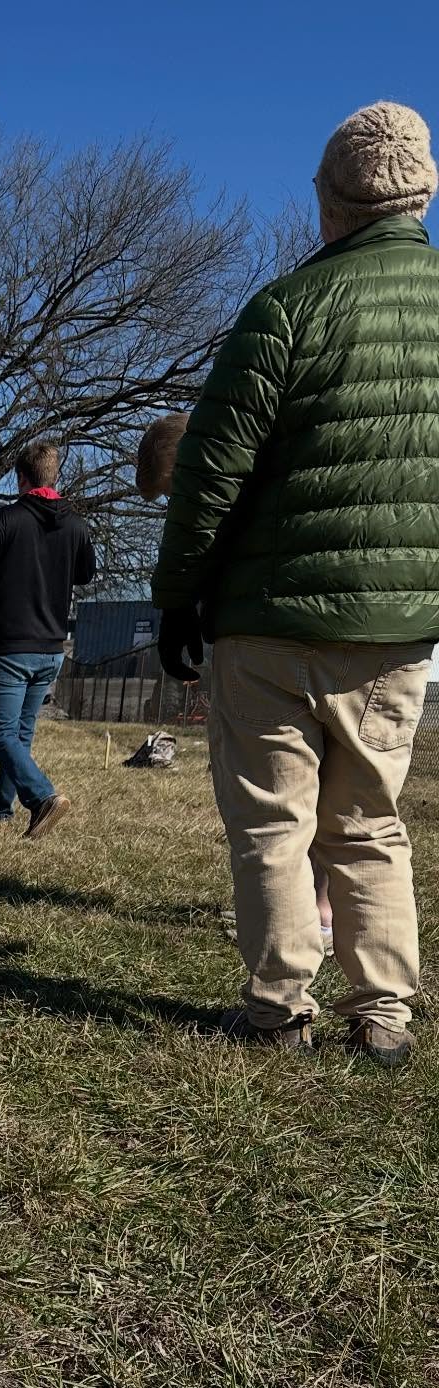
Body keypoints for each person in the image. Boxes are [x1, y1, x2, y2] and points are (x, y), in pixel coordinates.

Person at [151, 101, 439, 1063]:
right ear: (424, 196)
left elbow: (209, 475)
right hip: (396, 625)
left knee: (272, 824)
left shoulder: (285, 308)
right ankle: (385, 1012)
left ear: (328, 201)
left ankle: (279, 1006)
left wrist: (177, 596)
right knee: (370, 821)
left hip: (267, 615)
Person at [138, 413, 335, 960]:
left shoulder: (231, 496)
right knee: (338, 802)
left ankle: (305, 925)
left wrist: (183, 605)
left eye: (173, 493)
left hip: (264, 643)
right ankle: (323, 915)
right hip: (344, 637)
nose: (174, 508)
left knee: (275, 807)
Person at [0, 442, 95, 838]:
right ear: (55, 477)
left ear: (21, 478)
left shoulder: (8, 518)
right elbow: (86, 573)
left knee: (0, 734)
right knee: (20, 734)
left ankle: (42, 797)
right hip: (52, 647)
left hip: (11, 645)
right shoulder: (76, 525)